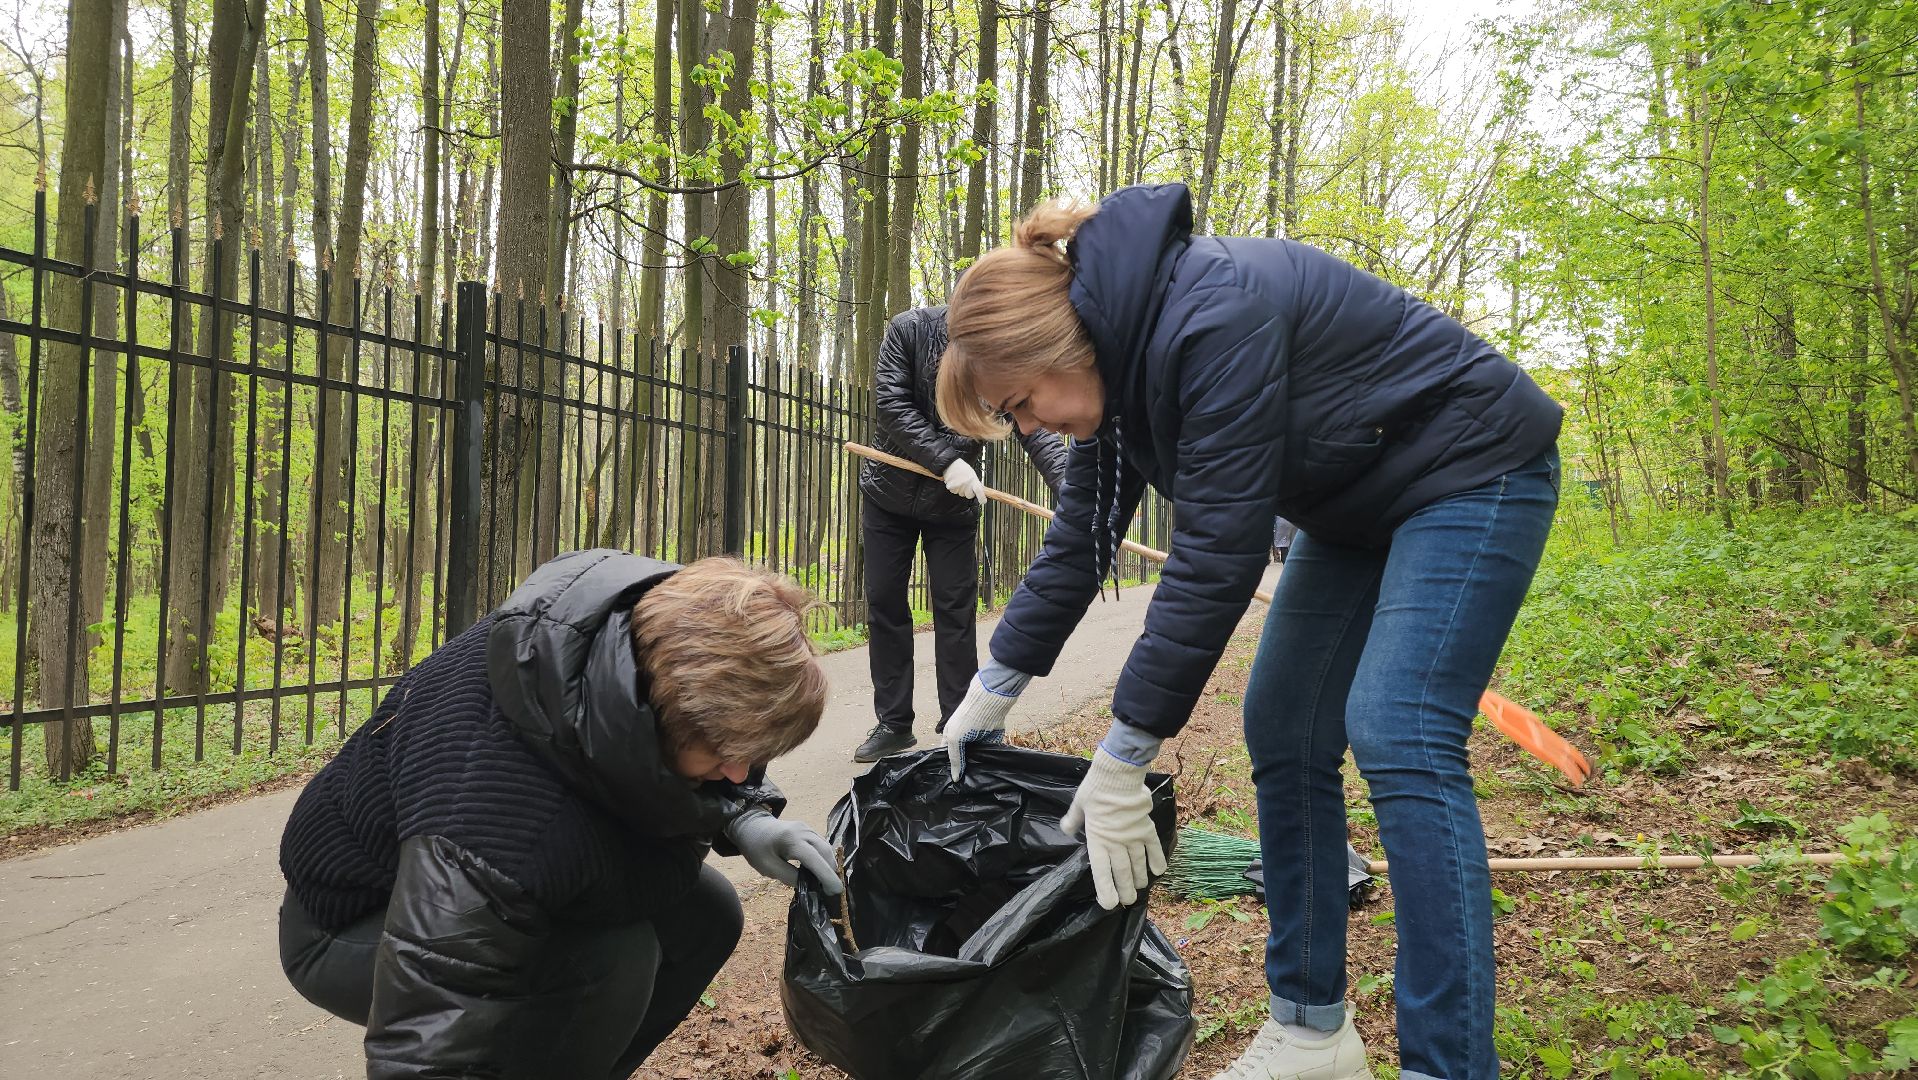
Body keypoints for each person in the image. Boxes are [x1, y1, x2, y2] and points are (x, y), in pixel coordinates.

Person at [934, 183, 1560, 1080]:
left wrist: (1121, 759)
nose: (1031, 426)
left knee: (1399, 728)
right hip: (1358, 501)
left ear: (1055, 347)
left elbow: (1218, 556)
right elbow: (1081, 537)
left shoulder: (1211, 313)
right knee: (1284, 725)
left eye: (1022, 403)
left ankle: (1447, 1064)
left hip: (1473, 465)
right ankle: (1313, 1030)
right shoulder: (1119, 366)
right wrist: (992, 689)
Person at [277, 550, 840, 1079]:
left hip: (483, 873)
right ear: (664, 715)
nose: (742, 772)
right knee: (610, 963)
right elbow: (425, 1034)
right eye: (725, 754)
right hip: (356, 920)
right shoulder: (493, 817)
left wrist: (745, 814)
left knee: (706, 916)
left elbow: (666, 755)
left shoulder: (647, 629)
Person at [852, 305, 1068, 762]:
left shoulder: (1000, 357)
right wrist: (945, 461)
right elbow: (891, 406)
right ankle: (893, 723)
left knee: (955, 610)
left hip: (953, 507)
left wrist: (1071, 493)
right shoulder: (908, 331)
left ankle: (959, 719)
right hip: (888, 496)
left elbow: (1037, 432)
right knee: (886, 603)